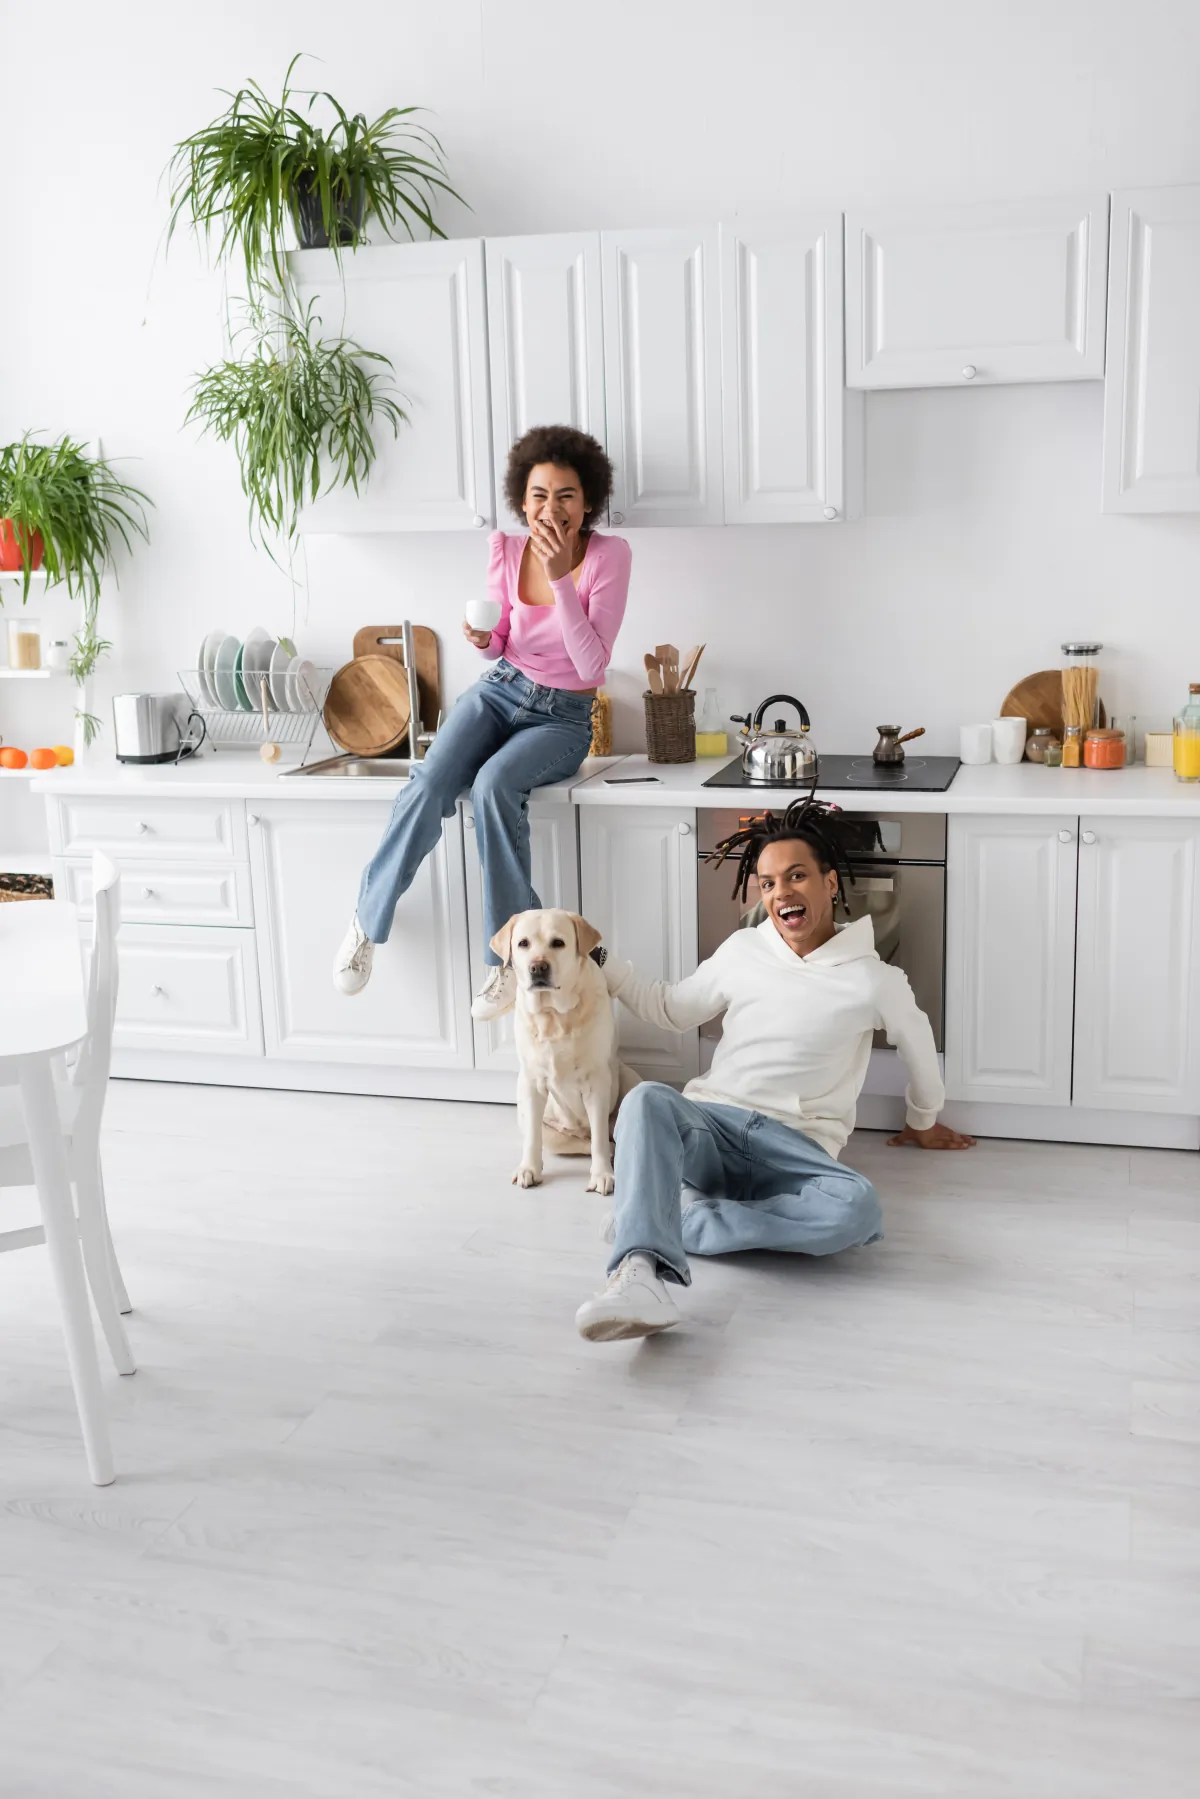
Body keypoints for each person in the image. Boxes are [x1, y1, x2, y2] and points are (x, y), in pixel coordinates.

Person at [574, 796, 975, 1342]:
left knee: (857, 1210)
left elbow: (919, 1047)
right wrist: (596, 956)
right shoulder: (744, 950)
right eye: (767, 883)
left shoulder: (874, 979)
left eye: (796, 876)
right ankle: (639, 1274)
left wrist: (924, 1120)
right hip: (713, 1125)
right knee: (645, 1099)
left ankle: (666, 1221)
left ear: (830, 883)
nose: (781, 892)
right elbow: (670, 1007)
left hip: (797, 1149)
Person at [334, 426, 631, 1012]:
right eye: (539, 495)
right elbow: (500, 644)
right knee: (431, 778)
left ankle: (504, 964)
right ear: (523, 501)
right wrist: (482, 638)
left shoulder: (608, 557)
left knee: (495, 787)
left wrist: (559, 579)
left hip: (564, 717)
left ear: (588, 501)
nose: (552, 507)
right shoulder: (505, 547)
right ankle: (367, 923)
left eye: (566, 494)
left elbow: (591, 661)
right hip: (499, 691)